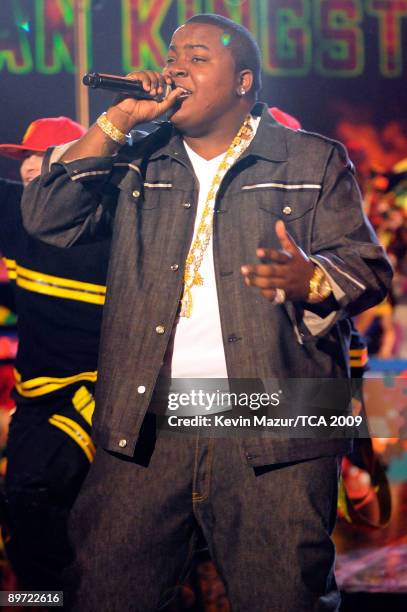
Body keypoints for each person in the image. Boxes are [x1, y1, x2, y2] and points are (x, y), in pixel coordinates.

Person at [22, 14, 392, 612]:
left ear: (244, 81)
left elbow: (370, 268)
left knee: (283, 598)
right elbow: (47, 218)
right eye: (171, 57)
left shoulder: (311, 159)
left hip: (279, 412)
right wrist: (117, 121)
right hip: (151, 411)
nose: (174, 68)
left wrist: (312, 278)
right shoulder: (138, 159)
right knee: (105, 592)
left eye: (196, 57)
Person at [0, 117, 112, 589]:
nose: (27, 170)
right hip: (35, 397)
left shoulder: (113, 224)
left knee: (43, 504)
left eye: (40, 160)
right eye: (22, 161)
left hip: (93, 396)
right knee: (24, 525)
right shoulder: (19, 212)